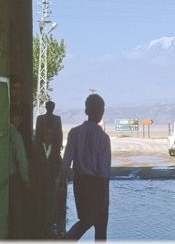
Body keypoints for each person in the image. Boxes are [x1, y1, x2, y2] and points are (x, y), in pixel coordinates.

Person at [58, 94, 111, 241]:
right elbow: (104, 172)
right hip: (97, 184)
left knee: (85, 219)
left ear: (86, 111)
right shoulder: (103, 138)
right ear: (102, 111)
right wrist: (105, 196)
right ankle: (66, 240)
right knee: (100, 227)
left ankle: (67, 239)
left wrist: (63, 184)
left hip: (79, 183)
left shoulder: (74, 133)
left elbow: (66, 161)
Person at [8, 74, 35, 238]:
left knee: (22, 203)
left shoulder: (24, 107)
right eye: (14, 89)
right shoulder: (1, 104)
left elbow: (26, 135)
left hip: (22, 157)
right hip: (8, 163)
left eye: (19, 89)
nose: (17, 93)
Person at [33, 126, 62, 238]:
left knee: (48, 206)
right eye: (46, 134)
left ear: (53, 137)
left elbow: (60, 164)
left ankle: (47, 229)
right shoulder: (36, 148)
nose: (48, 137)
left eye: (50, 135)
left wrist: (54, 175)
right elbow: (33, 163)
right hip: (39, 182)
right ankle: (38, 230)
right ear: (42, 136)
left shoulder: (55, 148)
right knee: (38, 205)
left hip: (49, 183)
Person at [8, 104, 31, 239]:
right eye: (19, 118)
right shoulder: (16, 135)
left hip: (2, 179)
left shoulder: (2, 132)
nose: (21, 121)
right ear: (13, 117)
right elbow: (21, 159)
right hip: (14, 178)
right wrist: (26, 180)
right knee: (17, 214)